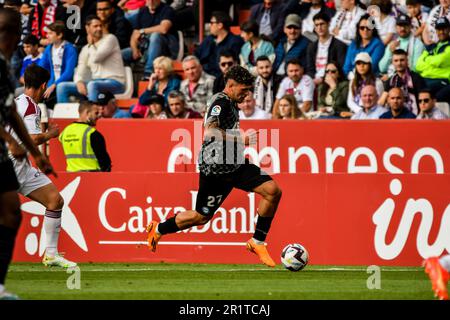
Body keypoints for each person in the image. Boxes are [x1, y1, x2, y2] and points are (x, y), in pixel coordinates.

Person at [145, 66, 283, 268]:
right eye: (243, 90)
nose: (246, 95)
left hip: (234, 164)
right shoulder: (220, 102)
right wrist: (239, 137)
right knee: (200, 217)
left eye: (248, 91)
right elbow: (209, 133)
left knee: (273, 191)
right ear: (231, 85)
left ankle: (257, 241)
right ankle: (159, 229)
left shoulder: (232, 103)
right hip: (215, 169)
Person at [0, 7, 56, 300]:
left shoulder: (7, 70)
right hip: (6, 153)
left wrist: (36, 152)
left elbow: (9, 112)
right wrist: (11, 140)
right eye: (11, 35)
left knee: (11, 212)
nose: (16, 43)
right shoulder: (29, 99)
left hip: (7, 155)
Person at [7, 64, 77, 268]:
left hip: (22, 166)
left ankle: (51, 254)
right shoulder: (30, 106)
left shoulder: (17, 102)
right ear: (44, 85)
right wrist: (50, 135)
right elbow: (33, 138)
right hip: (12, 166)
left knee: (55, 200)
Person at [57, 15, 126, 103]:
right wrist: (79, 82)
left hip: (116, 83)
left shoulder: (110, 39)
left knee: (92, 84)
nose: (99, 29)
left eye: (101, 25)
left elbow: (96, 58)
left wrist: (91, 45)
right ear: (87, 28)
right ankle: (64, 115)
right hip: (95, 83)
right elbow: (80, 68)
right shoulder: (86, 48)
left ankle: (90, 113)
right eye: (95, 26)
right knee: (62, 87)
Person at [121, 0, 179, 79]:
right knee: (120, 55)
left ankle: (148, 72)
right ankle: (122, 79)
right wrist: (134, 50)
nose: (151, 2)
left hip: (167, 48)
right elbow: (135, 34)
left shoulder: (167, 10)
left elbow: (163, 29)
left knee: (155, 36)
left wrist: (143, 31)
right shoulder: (142, 11)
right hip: (145, 47)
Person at [59, 100, 112, 172]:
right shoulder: (93, 133)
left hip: (71, 176)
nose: (99, 116)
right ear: (87, 113)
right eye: (96, 113)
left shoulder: (64, 132)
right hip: (92, 176)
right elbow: (105, 162)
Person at [38, 21, 78, 110]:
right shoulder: (49, 48)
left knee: (54, 92)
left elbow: (69, 73)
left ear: (59, 35)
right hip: (52, 84)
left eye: (50, 33)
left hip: (64, 83)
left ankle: (62, 116)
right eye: (47, 33)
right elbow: (40, 67)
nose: (47, 36)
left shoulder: (70, 49)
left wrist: (54, 85)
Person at [194, 11, 244, 78]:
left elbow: (234, 65)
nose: (209, 25)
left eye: (212, 23)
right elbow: (196, 55)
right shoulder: (208, 39)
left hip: (225, 77)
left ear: (220, 25)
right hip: (204, 76)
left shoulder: (235, 41)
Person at [305, 12, 348, 85]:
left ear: (328, 24)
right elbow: (310, 69)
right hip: (314, 82)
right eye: (317, 25)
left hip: (332, 81)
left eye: (322, 24)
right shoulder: (311, 47)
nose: (319, 28)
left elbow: (340, 69)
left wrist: (322, 79)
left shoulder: (339, 45)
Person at [378, 49, 425, 114]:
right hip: (394, 116)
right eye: (396, 61)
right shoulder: (390, 81)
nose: (399, 63)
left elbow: (424, 100)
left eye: (402, 60)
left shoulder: (416, 78)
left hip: (414, 116)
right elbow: (381, 102)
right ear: (392, 63)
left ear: (407, 61)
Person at [415, 17, 450, 104]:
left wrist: (426, 59)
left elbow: (440, 60)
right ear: (436, 31)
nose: (441, 32)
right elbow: (418, 65)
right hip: (425, 80)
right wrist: (433, 63)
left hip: (442, 81)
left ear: (449, 29)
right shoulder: (432, 46)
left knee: (426, 96)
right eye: (439, 29)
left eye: (444, 29)